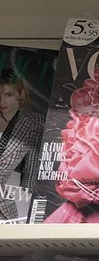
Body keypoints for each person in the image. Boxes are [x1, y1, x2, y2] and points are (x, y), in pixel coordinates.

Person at [0, 69, 44, 213]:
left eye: (8, 95)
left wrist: (28, 199)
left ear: (21, 94)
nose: (2, 101)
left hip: (4, 202)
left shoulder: (34, 122)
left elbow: (32, 166)